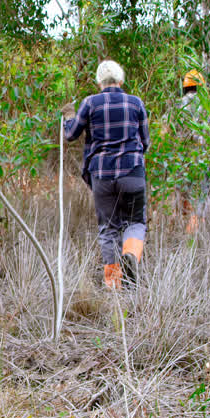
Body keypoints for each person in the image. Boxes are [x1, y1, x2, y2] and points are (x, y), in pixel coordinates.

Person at [62, 60, 151, 290]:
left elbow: (71, 135)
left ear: (99, 82)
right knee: (135, 222)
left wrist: (69, 116)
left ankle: (114, 285)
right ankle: (130, 254)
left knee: (108, 228)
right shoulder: (136, 103)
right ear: (121, 81)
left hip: (101, 174)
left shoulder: (90, 103)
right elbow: (146, 142)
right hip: (132, 171)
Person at [176, 69, 210, 234]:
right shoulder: (206, 105)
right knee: (202, 192)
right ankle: (198, 229)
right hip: (202, 155)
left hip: (184, 156)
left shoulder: (179, 104)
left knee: (185, 190)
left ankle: (187, 228)